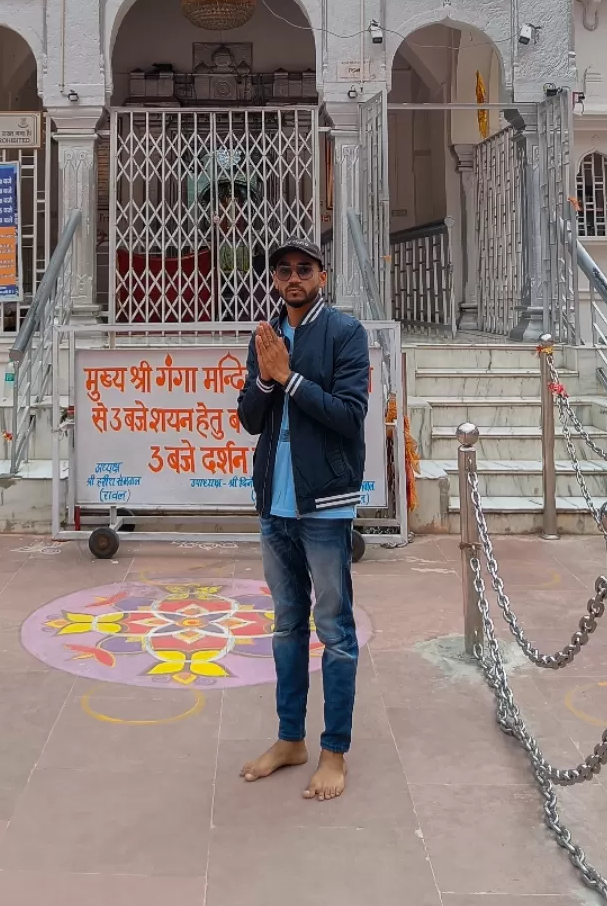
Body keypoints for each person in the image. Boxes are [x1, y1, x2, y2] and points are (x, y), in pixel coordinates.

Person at [237, 239, 369, 801]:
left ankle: (333, 750)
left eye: (304, 270)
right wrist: (267, 380)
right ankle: (290, 739)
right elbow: (248, 419)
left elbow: (350, 415)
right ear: (273, 280)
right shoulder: (266, 335)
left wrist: (289, 379)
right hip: (275, 503)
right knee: (286, 626)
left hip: (325, 504)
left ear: (322, 275)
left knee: (334, 631)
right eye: (284, 270)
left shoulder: (344, 333)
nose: (294, 278)